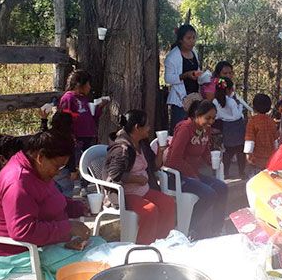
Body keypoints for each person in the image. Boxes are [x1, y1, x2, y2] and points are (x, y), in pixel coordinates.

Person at [0, 130, 103, 280]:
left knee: (100, 245)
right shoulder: (18, 182)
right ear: (40, 156)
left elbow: (49, 201)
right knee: (99, 262)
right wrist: (68, 229)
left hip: (39, 245)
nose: (57, 173)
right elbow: (22, 231)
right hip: (16, 253)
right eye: (57, 166)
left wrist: (77, 207)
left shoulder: (37, 170)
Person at [104, 110, 176, 245]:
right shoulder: (122, 148)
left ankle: (162, 243)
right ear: (137, 127)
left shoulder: (141, 143)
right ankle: (143, 249)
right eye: (147, 125)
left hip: (144, 189)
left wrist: (161, 150)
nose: (149, 128)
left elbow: (154, 166)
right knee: (150, 210)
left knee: (169, 203)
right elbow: (114, 174)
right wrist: (136, 179)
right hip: (126, 193)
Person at [166, 99, 228, 239]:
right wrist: (193, 175)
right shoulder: (185, 129)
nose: (211, 122)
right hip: (177, 176)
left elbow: (205, 151)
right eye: (208, 118)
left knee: (222, 187)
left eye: (213, 118)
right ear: (197, 115)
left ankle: (216, 229)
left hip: (194, 175)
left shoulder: (206, 129)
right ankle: (189, 229)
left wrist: (214, 160)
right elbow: (174, 159)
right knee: (209, 193)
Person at [59, 70, 106, 195]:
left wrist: (100, 108)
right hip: (77, 136)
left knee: (87, 161)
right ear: (80, 84)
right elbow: (65, 120)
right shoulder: (68, 98)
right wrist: (71, 135)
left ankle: (85, 186)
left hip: (88, 135)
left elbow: (91, 118)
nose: (90, 87)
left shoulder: (84, 99)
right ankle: (71, 188)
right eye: (88, 84)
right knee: (76, 161)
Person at [164, 24, 203, 132]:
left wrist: (199, 76)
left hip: (194, 97)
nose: (192, 41)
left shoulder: (194, 52)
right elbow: (168, 78)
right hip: (180, 99)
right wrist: (185, 75)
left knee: (194, 130)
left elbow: (196, 68)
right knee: (180, 129)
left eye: (194, 38)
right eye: (188, 38)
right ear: (181, 40)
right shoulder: (172, 57)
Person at [213, 77, 246, 179]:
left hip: (226, 126)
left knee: (228, 151)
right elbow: (236, 116)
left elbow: (217, 115)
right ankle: (241, 173)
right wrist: (240, 106)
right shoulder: (231, 101)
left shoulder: (215, 101)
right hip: (237, 126)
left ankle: (225, 173)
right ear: (228, 90)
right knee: (240, 151)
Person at [244, 94, 278, 172]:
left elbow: (250, 140)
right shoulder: (271, 121)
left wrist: (248, 154)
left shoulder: (252, 121)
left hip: (256, 158)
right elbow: (275, 140)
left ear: (254, 107)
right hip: (270, 157)